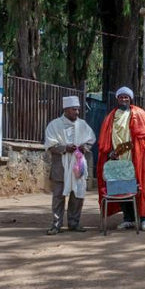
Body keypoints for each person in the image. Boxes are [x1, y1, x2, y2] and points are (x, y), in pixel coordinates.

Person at [96, 86, 145, 231]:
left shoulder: (140, 115)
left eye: (126, 97)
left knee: (143, 186)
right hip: (118, 159)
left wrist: (139, 149)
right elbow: (104, 141)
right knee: (121, 187)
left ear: (130, 99)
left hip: (138, 158)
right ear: (117, 99)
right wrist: (110, 153)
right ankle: (128, 218)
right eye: (121, 97)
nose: (123, 99)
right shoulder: (110, 118)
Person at [44, 95, 96, 234]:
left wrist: (84, 148)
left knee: (77, 195)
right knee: (59, 197)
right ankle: (56, 224)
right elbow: (50, 145)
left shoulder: (83, 125)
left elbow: (91, 139)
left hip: (78, 165)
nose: (77, 112)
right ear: (66, 109)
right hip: (60, 167)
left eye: (78, 110)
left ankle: (74, 223)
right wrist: (64, 148)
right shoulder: (54, 125)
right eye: (74, 110)